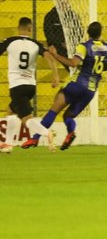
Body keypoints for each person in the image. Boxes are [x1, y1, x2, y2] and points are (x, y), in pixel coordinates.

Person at [21, 21, 107, 151]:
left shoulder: (84, 46)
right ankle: (71, 132)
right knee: (68, 116)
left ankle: (35, 137)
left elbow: (73, 63)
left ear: (88, 32)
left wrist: (55, 55)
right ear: (100, 33)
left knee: (54, 109)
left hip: (77, 83)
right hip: (91, 90)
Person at [0, 17, 60, 153]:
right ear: (30, 29)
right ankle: (8, 144)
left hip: (17, 85)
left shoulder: (10, 41)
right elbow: (49, 57)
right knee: (10, 110)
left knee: (26, 119)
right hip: (30, 86)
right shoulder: (36, 44)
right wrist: (55, 75)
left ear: (18, 28)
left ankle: (47, 133)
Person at [43, 0, 83, 71]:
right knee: (71, 64)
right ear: (57, 4)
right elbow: (49, 34)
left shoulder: (73, 15)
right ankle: (75, 71)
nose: (64, 5)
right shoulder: (50, 16)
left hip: (73, 45)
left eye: (65, 3)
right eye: (62, 3)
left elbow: (80, 31)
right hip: (58, 46)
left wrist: (72, 42)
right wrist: (62, 42)